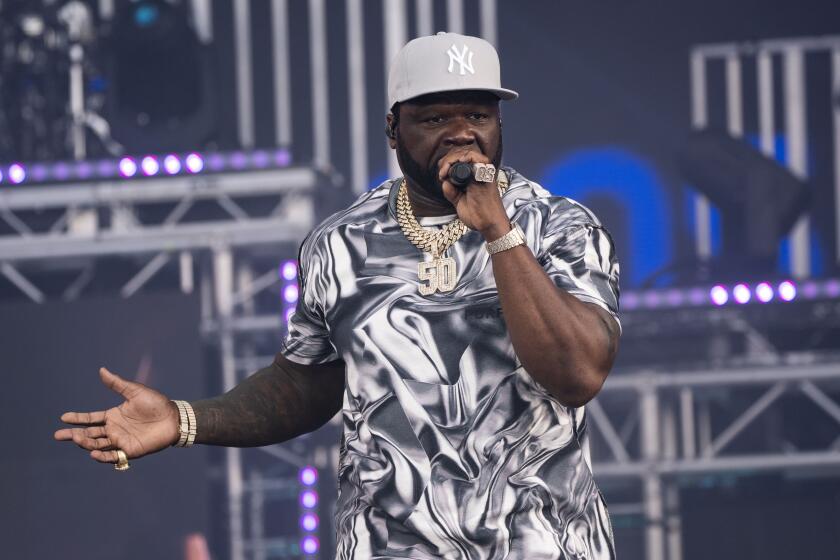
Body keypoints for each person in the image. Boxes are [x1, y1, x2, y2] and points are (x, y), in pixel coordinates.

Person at [56, 32, 621, 559]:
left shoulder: (559, 227)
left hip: (542, 545)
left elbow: (578, 374)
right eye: (434, 117)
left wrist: (498, 230)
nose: (461, 132)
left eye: (477, 114)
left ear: (499, 122)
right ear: (393, 129)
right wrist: (185, 420)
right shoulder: (340, 243)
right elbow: (306, 383)